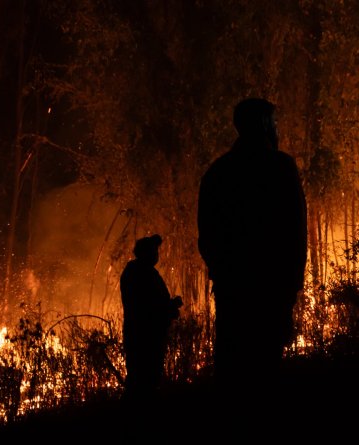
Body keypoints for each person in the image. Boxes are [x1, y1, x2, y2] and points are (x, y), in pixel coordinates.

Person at [197, 97, 308, 387]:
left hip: (233, 292)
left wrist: (224, 272)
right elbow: (295, 231)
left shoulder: (218, 173)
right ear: (262, 125)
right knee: (267, 370)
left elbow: (206, 236)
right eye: (273, 123)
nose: (276, 129)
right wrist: (291, 285)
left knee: (234, 373)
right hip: (271, 291)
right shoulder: (281, 167)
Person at [119, 234, 182, 405]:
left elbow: (151, 305)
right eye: (154, 251)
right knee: (145, 380)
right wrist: (170, 308)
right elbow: (148, 308)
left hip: (142, 333)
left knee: (142, 379)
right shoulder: (142, 274)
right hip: (146, 336)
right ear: (146, 253)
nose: (157, 255)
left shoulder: (137, 272)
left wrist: (169, 307)